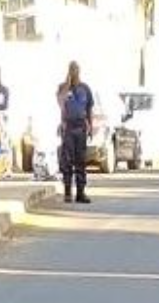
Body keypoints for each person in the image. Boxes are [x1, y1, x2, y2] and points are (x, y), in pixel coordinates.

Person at [57, 61, 93, 203]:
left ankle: (80, 193)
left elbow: (89, 108)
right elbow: (60, 102)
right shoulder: (63, 88)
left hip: (81, 127)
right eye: (72, 69)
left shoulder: (85, 88)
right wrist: (68, 84)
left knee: (81, 161)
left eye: (76, 69)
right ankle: (67, 192)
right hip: (68, 128)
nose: (74, 72)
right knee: (67, 161)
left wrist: (90, 125)